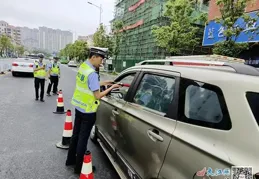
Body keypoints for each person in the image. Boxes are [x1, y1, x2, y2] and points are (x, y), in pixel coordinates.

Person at [65, 47, 121, 174]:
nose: (101, 62)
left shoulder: (84, 67)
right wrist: (111, 87)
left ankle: (70, 160)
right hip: (88, 111)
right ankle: (79, 168)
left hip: (79, 107)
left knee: (75, 135)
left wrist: (105, 82)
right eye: (101, 59)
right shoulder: (92, 74)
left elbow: (90, 84)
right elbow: (98, 96)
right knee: (83, 139)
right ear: (94, 56)